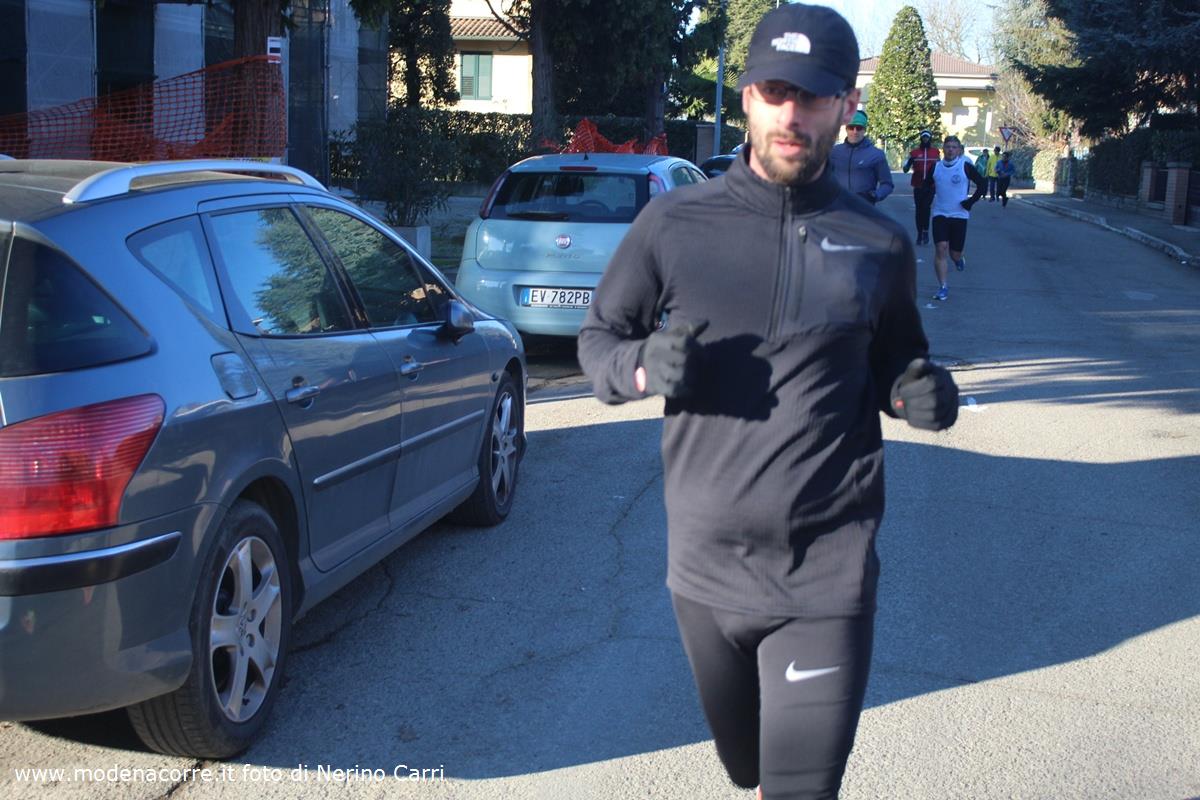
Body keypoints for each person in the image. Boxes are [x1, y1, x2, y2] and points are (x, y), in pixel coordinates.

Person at [577, 5, 960, 798]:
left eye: (812, 96)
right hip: (703, 571)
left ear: (845, 105)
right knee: (746, 768)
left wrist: (916, 391)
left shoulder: (879, 243)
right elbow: (599, 339)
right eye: (776, 92)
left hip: (826, 572)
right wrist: (642, 367)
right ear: (749, 96)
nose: (792, 114)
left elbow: (897, 360)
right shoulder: (673, 223)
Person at [928, 135, 986, 301]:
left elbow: (982, 184)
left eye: (954, 147)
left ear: (959, 150)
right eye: (948, 147)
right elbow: (926, 186)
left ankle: (959, 259)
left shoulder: (965, 166)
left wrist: (970, 202)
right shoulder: (936, 167)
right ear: (943, 149)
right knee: (941, 248)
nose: (951, 150)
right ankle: (943, 287)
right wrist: (925, 201)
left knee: (954, 254)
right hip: (940, 214)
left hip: (959, 215)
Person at [829, 109, 893, 205]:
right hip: (838, 207)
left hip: (863, 207)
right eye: (851, 127)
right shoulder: (834, 152)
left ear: (864, 130)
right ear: (846, 129)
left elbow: (887, 184)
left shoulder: (876, 154)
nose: (855, 132)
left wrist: (876, 195)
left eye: (859, 128)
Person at [902, 130, 940, 244]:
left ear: (930, 139)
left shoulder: (935, 152)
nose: (925, 139)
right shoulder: (914, 153)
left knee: (926, 207)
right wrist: (908, 163)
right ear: (921, 139)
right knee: (919, 210)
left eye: (927, 138)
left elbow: (940, 167)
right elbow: (905, 169)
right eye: (923, 138)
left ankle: (925, 232)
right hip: (918, 185)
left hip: (930, 186)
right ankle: (919, 234)